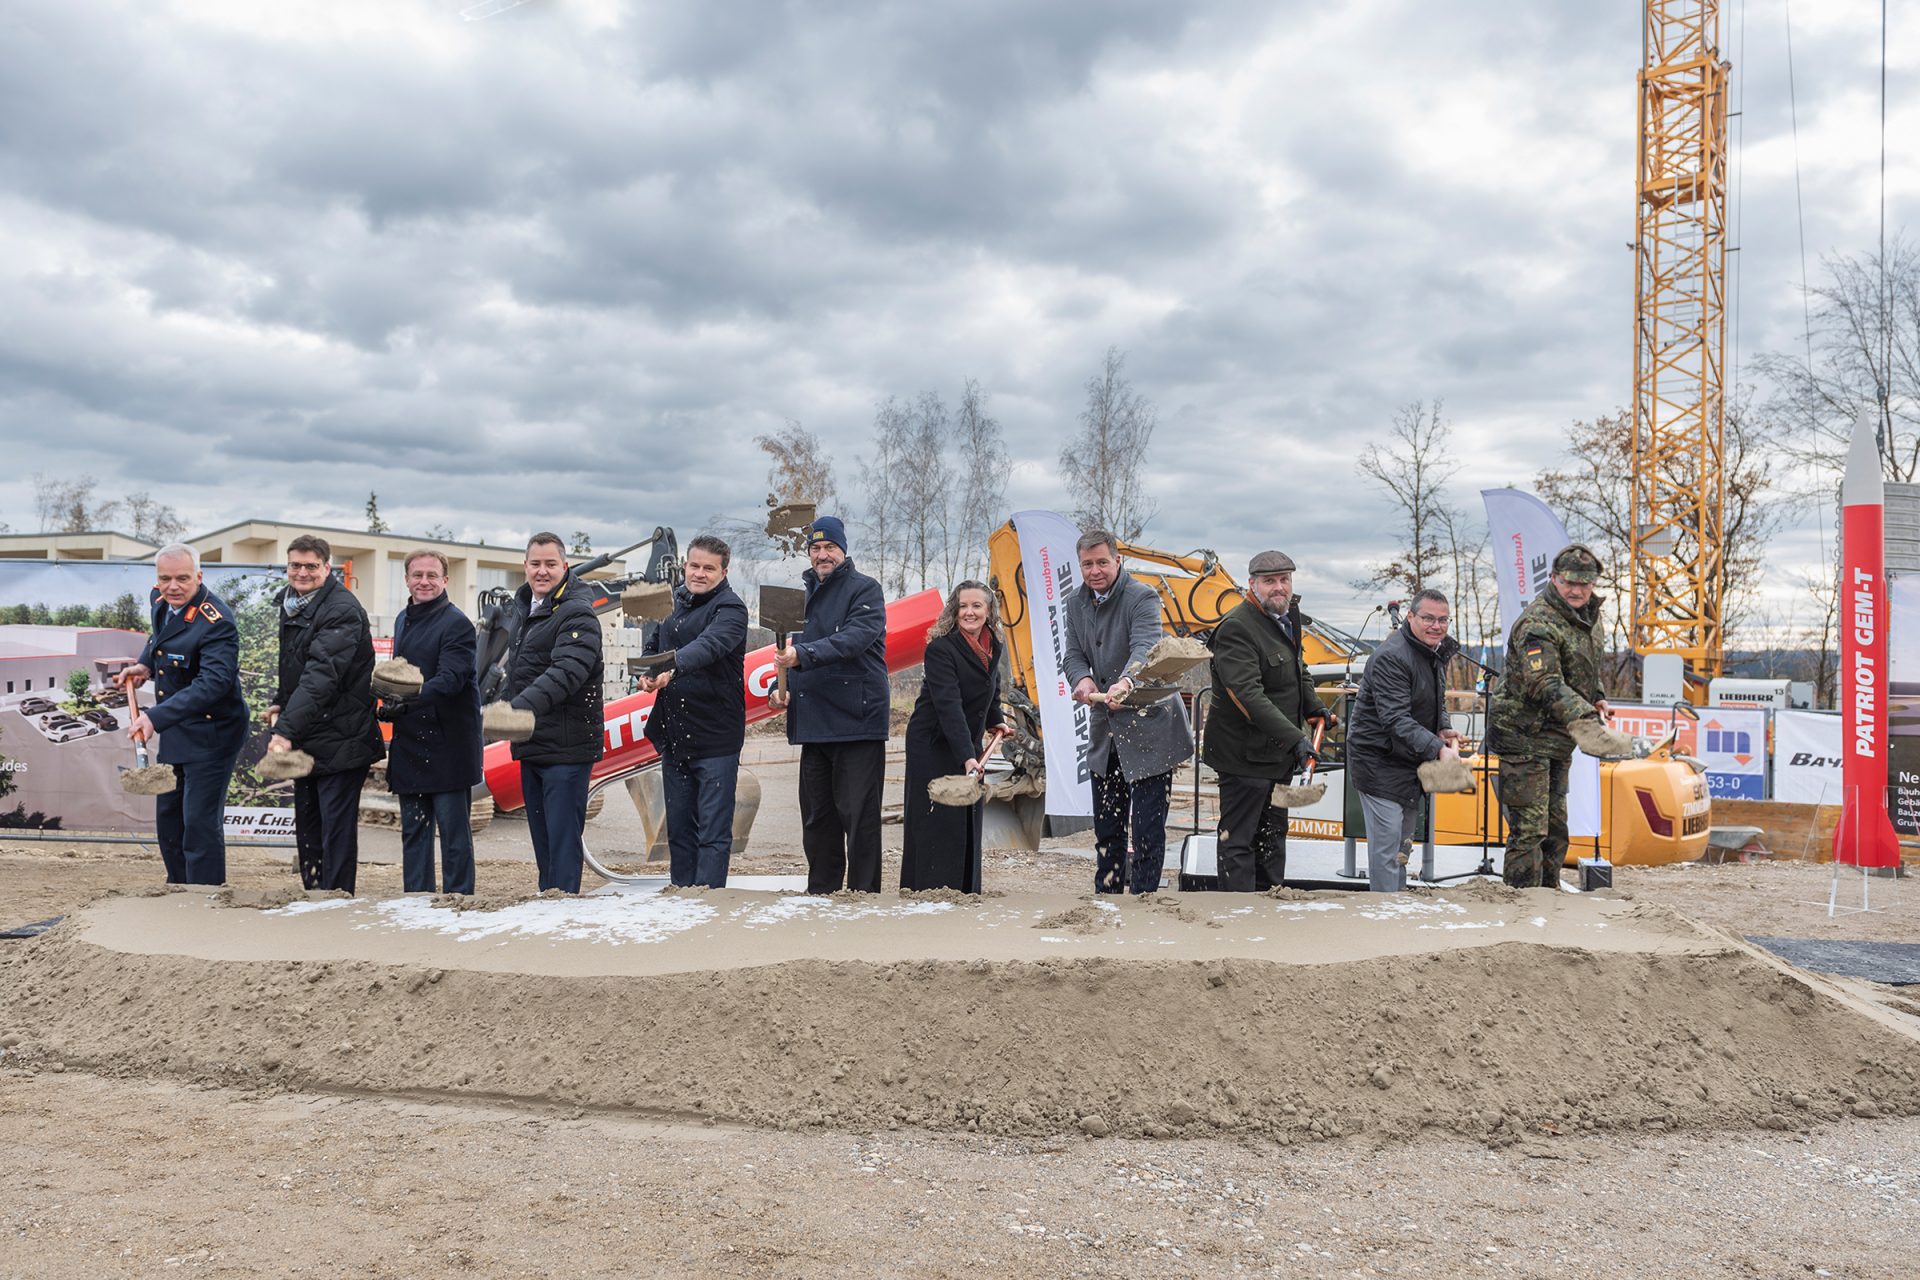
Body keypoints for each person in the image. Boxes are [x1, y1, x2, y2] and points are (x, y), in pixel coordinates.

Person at [1064, 530, 1193, 895]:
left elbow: (1145, 647)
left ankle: (1145, 901)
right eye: (1087, 564)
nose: (1095, 571)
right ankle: (1106, 897)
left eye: (1102, 562)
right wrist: (1083, 678)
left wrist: (1126, 682)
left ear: (1117, 561)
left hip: (1150, 726)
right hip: (1106, 731)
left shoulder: (1142, 597)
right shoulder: (1075, 604)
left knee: (1148, 828)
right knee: (1107, 827)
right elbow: (1072, 654)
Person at [771, 515, 888, 894]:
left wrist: (801, 656)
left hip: (857, 720)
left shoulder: (865, 590)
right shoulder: (798, 599)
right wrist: (780, 687)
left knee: (859, 817)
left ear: (843, 550)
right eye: (816, 548)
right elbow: (784, 653)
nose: (823, 555)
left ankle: (863, 894)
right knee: (818, 817)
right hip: (813, 723)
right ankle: (821, 890)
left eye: (830, 548)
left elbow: (853, 640)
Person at [1201, 550, 1332, 892]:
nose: (1279, 588)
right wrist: (1296, 739)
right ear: (1252, 584)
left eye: (1284, 580)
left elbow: (1297, 668)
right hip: (1243, 757)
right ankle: (1238, 915)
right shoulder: (1236, 628)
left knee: (1274, 838)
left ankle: (1271, 908)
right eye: (1269, 581)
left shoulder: (1288, 615)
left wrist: (1314, 708)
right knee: (1239, 841)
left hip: (1279, 757)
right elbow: (1248, 696)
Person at [119, 543, 248, 886]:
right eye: (165, 578)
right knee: (170, 819)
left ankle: (203, 899)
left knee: (199, 822)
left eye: (182, 579)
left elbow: (214, 684)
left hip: (212, 732)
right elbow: (160, 635)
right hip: (178, 726)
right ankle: (178, 888)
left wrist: (154, 718)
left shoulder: (217, 623)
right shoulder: (161, 599)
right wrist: (145, 663)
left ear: (199, 577)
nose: (173, 586)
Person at [1489, 544, 1612, 890]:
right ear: (1555, 579)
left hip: (1558, 736)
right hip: (1523, 735)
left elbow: (1585, 668)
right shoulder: (1537, 623)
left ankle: (1548, 898)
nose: (1576, 590)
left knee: (1556, 828)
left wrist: (1597, 698)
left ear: (1593, 584)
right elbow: (1545, 682)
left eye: (1584, 584)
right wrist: (1585, 715)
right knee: (1530, 830)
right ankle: (1521, 908)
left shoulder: (1589, 616)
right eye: (1569, 582)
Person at [267, 534, 384, 894]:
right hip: (310, 734)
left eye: (310, 566)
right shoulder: (292, 604)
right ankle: (314, 894)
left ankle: (336, 900)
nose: (302, 572)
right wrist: (279, 700)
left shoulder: (341, 610)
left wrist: (284, 731)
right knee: (309, 826)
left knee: (335, 830)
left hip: (342, 738)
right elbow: (296, 666)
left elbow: (322, 675)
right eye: (295, 565)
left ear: (326, 568)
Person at [500, 532, 605, 894]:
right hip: (534, 745)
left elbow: (566, 674)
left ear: (565, 566)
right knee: (544, 841)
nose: (541, 571)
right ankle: (549, 902)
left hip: (566, 748)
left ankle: (563, 912)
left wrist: (513, 711)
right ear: (524, 566)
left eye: (550, 564)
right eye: (535, 564)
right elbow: (520, 672)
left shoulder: (577, 612)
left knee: (561, 843)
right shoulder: (526, 609)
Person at [641, 534, 748, 888]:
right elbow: (654, 647)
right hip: (675, 736)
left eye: (709, 568)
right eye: (694, 565)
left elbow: (710, 645)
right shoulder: (672, 604)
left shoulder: (731, 609)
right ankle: (681, 895)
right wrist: (646, 673)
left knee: (713, 834)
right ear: (684, 565)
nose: (699, 573)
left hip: (716, 738)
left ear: (724, 571)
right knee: (680, 831)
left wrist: (671, 668)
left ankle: (708, 903)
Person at [1346, 587, 1463, 891]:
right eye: (1428, 618)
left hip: (1408, 760)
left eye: (1443, 620)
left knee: (1402, 850)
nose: (1436, 626)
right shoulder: (1392, 657)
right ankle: (1384, 916)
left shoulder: (1433, 651)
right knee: (1386, 852)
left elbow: (1435, 701)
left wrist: (1444, 728)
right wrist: (1438, 749)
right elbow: (1395, 718)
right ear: (1411, 616)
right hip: (1378, 762)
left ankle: (1395, 908)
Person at [381, 549, 482, 895]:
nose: (424, 581)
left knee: (453, 836)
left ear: (445, 580)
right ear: (407, 579)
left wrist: (402, 698)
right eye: (417, 575)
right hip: (411, 742)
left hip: (449, 745)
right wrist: (387, 699)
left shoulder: (457, 624)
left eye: (432, 575)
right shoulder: (401, 619)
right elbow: (401, 672)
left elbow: (450, 680)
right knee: (414, 831)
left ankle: (459, 900)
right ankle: (416, 900)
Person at [900, 581, 1008, 893]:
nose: (970, 612)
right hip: (932, 743)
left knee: (965, 812)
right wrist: (968, 757)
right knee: (937, 815)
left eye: (977, 606)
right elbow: (948, 705)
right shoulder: (940, 649)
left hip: (965, 742)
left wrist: (995, 720)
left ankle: (963, 888)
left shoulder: (993, 644)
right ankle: (928, 889)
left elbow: (992, 686)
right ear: (953, 610)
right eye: (963, 606)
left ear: (988, 611)